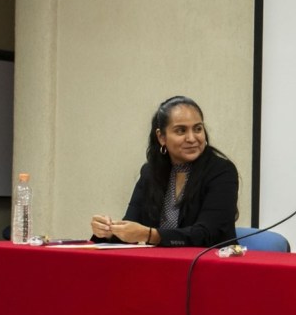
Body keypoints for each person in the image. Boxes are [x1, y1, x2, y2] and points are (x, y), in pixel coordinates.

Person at [90, 95, 238, 247]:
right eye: (181, 131)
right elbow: (132, 225)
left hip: (209, 264)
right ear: (161, 137)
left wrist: (150, 235)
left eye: (198, 129)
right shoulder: (150, 172)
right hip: (160, 264)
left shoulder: (221, 171)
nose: (192, 138)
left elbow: (206, 234)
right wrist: (108, 232)